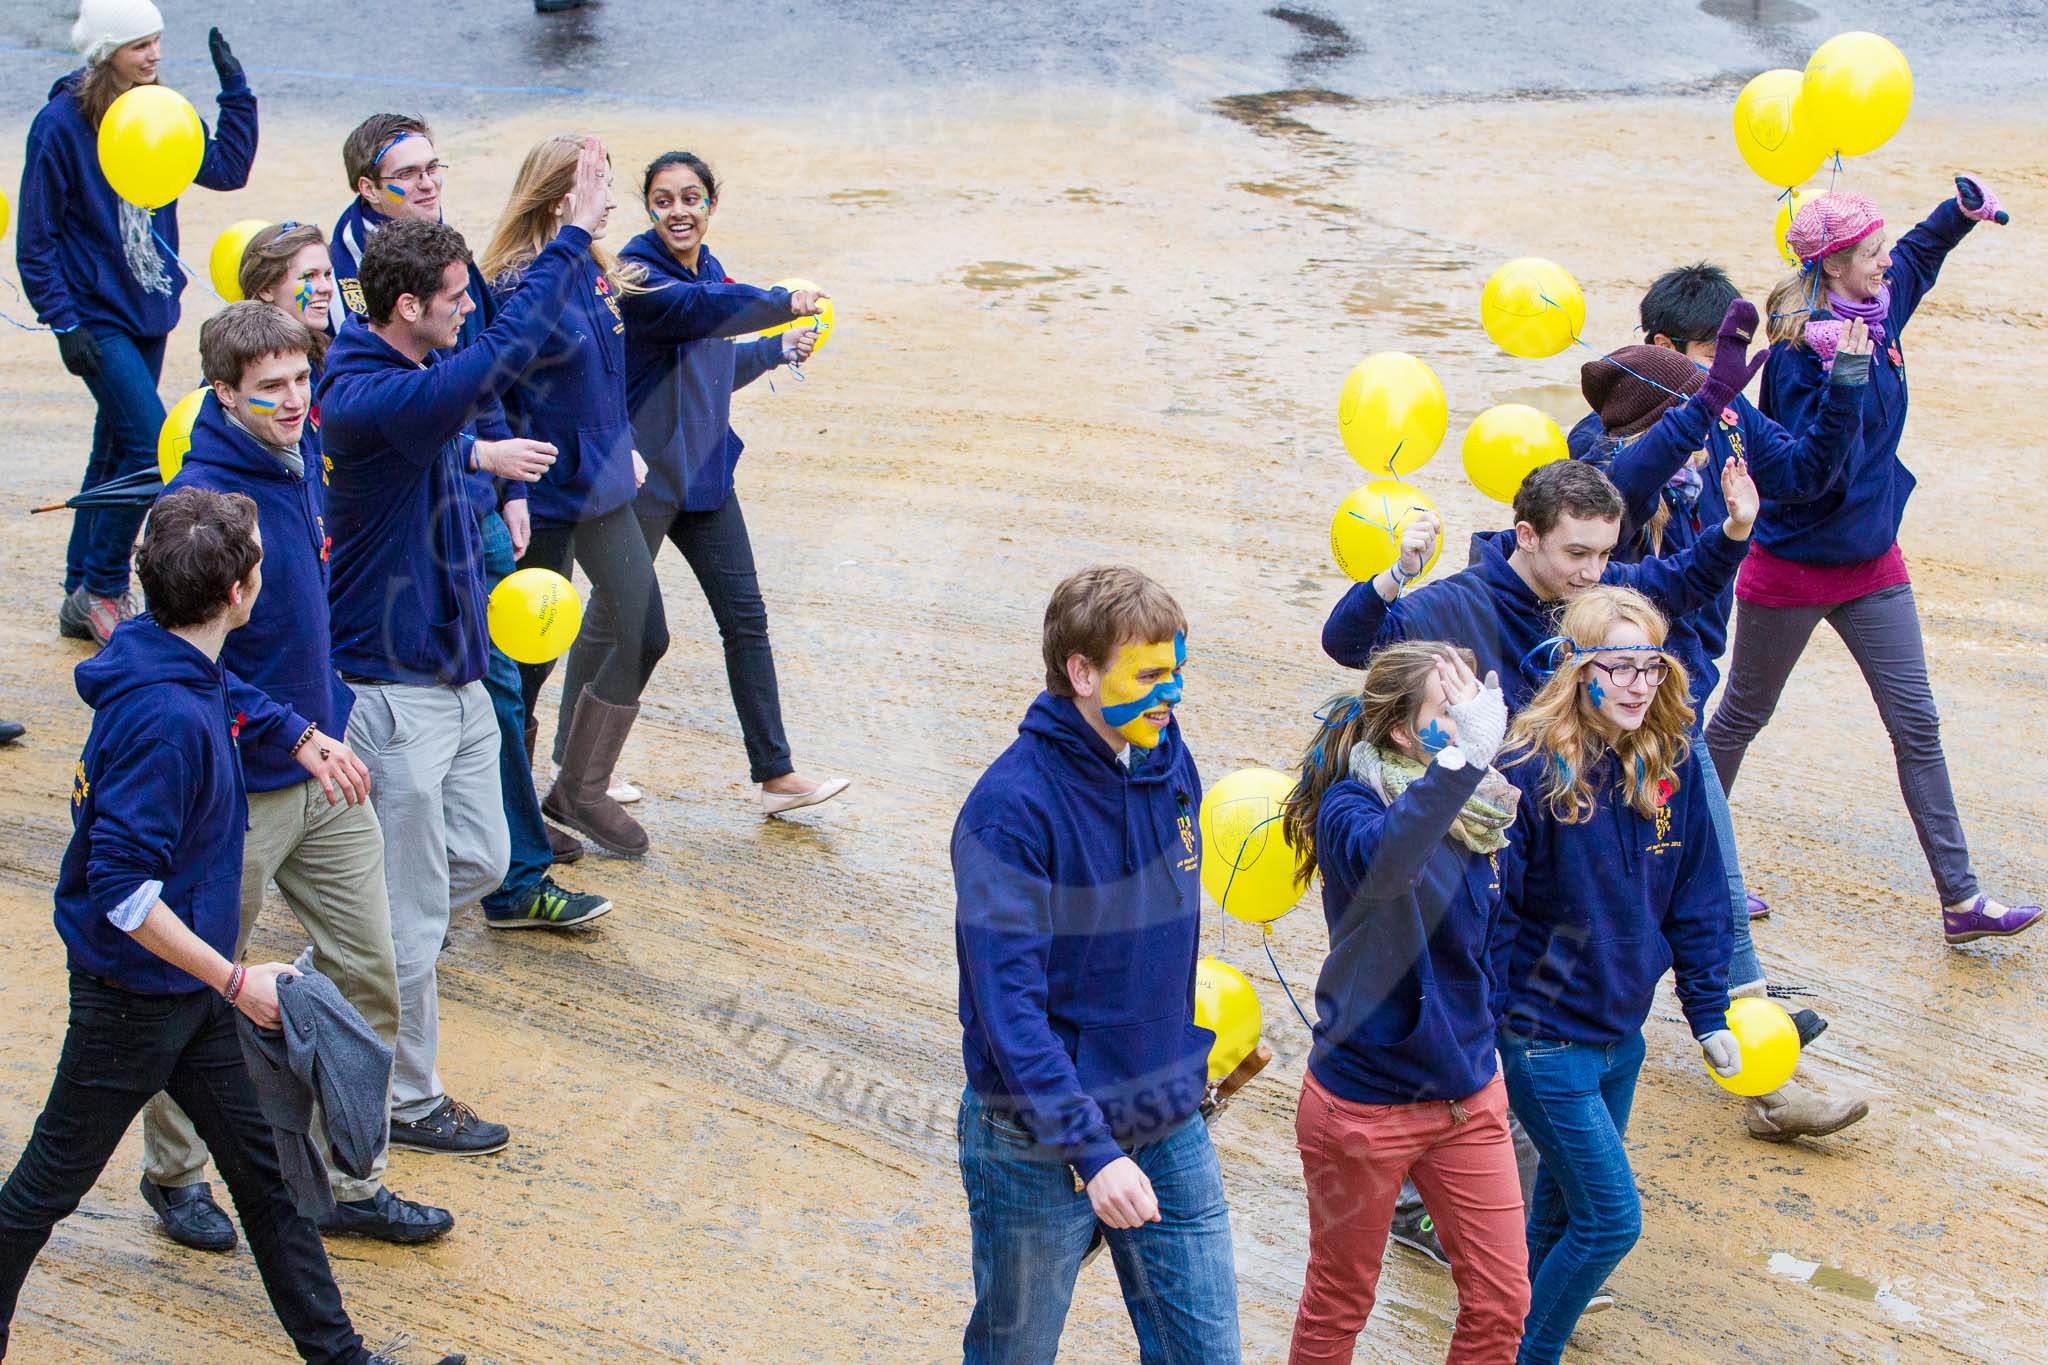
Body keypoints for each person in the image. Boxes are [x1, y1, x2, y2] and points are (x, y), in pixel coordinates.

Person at [0, 487, 462, 1365]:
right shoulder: (166, 720)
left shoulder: (161, 652)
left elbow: (223, 683)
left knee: (269, 1185)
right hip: (134, 1002)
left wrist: (296, 734)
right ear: (242, 596)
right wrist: (234, 978)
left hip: (190, 996)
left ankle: (343, 1357)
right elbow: (123, 891)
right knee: (42, 1190)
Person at [318, 143, 607, 1155]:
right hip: (389, 694)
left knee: (480, 861)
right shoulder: (371, 396)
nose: (462, 309)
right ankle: (406, 1099)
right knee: (406, 925)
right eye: (449, 298)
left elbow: (470, 401)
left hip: (455, 674)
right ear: (404, 308)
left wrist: (498, 471)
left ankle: (341, 964)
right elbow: (502, 358)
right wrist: (573, 236)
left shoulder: (419, 370)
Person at [144, 302, 453, 1249]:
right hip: (233, 792)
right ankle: (175, 1177)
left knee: (372, 969)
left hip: (325, 771)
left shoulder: (297, 456)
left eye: (301, 380)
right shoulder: (204, 504)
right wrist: (293, 731)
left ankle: (355, 1182)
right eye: (270, 388)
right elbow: (188, 661)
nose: (294, 400)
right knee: (196, 992)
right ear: (223, 393)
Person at [1571, 305, 1872, 1142]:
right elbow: (1656, 535)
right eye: (1704, 390)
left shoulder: (1713, 462)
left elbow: (1807, 469)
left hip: (1673, 708)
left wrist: (1845, 381)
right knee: (1705, 898)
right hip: (1614, 722)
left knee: (1712, 896)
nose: (1717, 417)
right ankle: (1768, 1075)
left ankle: (1765, 1064)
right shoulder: (1603, 495)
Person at [1711, 181, 2040, 946]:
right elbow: (1802, 476)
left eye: (1883, 246)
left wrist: (1957, 217)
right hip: (1791, 565)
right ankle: (1693, 873)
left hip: (1871, 561)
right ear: (1830, 266)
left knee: (1917, 722)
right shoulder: (1796, 359)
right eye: (1870, 253)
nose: (1886, 263)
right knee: (1737, 722)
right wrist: (1846, 383)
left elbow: (1919, 258)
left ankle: (1963, 901)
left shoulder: (1878, 310)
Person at [954, 566, 1237, 1363]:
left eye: (1178, 669)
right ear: (1082, 673)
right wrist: (1093, 1149)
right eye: (1150, 674)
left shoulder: (1168, 759)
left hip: (1166, 1119)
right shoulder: (1008, 812)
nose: (1172, 691)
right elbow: (1008, 1011)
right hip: (1037, 1144)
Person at [551, 150, 848, 818]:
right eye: (664, 200)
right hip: (643, 480)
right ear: (648, 207)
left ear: (711, 204)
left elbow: (710, 360)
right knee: (611, 620)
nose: (679, 211)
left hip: (707, 477)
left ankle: (777, 775)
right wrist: (779, 303)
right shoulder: (637, 276)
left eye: (692, 198)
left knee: (746, 619)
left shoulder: (709, 269)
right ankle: (576, 767)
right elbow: (701, 310)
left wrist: (776, 349)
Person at [1495, 586, 1736, 1364]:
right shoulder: (1527, 771)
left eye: (1653, 667)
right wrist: (1484, 1027)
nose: (1639, 684)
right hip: (1544, 1040)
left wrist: (1709, 1015)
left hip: (1619, 1040)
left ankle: (1503, 1339)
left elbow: (1698, 897)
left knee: (1560, 1219)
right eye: (1620, 666)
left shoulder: (1673, 764)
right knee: (1611, 1220)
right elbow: (1491, 918)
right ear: (1578, 671)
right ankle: (1528, 1353)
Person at [1280, 644, 1527, 1363]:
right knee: (1340, 1300)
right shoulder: (1348, 808)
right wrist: (1461, 760)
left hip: (1466, 1097)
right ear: (1400, 732)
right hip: (1362, 1106)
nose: (1470, 721)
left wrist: (1489, 1032)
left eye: (1472, 702)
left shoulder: (1482, 811)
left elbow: (1496, 934)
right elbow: (1392, 860)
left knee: (1503, 1300)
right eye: (1448, 711)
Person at [15, 1, 256, 646]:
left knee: (114, 449)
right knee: (152, 443)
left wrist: (236, 91)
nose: (152, 55)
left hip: (148, 306)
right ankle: (100, 586)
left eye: (156, 42)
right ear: (103, 53)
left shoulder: (160, 109)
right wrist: (65, 322)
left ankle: (77, 586)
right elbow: (34, 241)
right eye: (137, 45)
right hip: (95, 319)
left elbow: (225, 170)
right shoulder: (58, 126)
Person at [480, 134, 668, 858]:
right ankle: (505, 811)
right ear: (561, 197)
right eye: (603, 187)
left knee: (646, 628)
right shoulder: (517, 282)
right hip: (543, 496)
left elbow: (606, 375)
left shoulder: (593, 269)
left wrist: (625, 440)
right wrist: (502, 482)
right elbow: (490, 387)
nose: (617, 201)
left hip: (604, 483)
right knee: (529, 661)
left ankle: (580, 789)